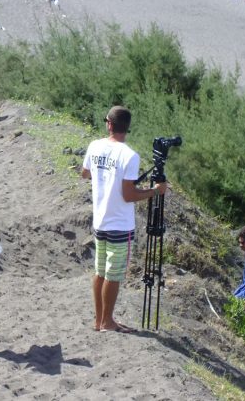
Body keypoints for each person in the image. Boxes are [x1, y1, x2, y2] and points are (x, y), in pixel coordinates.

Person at [81, 106, 167, 333]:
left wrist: (103, 173)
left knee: (100, 271)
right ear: (127, 127)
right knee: (114, 274)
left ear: (109, 123)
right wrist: (155, 191)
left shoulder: (95, 146)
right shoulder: (130, 155)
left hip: (100, 220)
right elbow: (128, 195)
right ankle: (108, 322)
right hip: (120, 223)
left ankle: (99, 320)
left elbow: (85, 173)